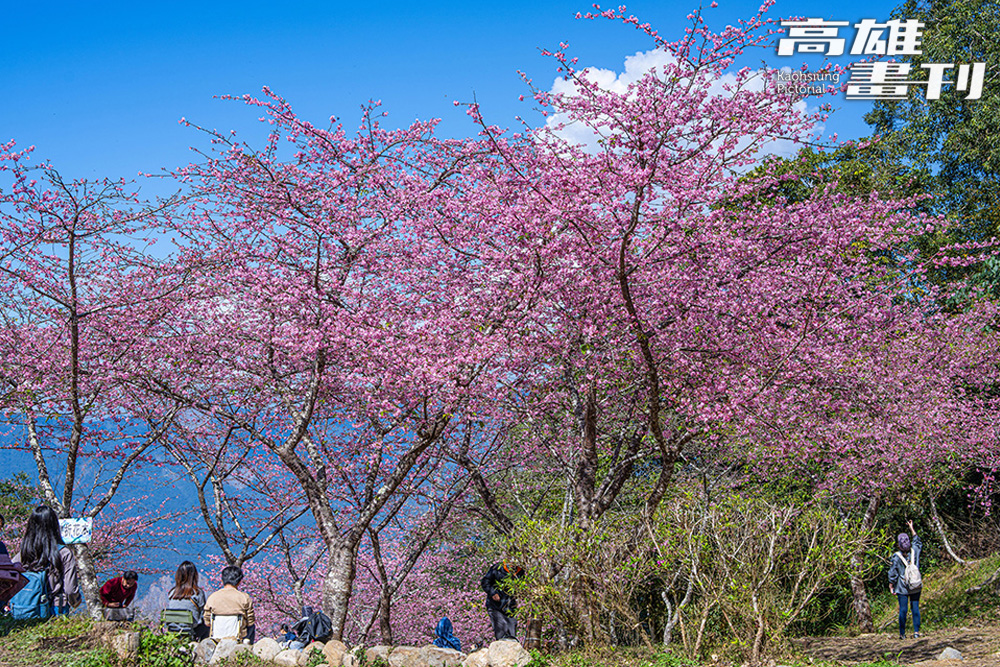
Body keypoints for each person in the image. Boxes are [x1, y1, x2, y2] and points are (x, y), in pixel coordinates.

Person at [11, 505, 81, 617]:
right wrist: (75, 601)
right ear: (54, 525)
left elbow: (10, 577)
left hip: (25, 608)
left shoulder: (23, 553)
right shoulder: (63, 552)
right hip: (55, 609)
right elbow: (70, 589)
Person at [888, 519, 922, 640]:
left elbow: (893, 573)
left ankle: (902, 634)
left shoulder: (896, 557)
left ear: (898, 544)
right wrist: (911, 528)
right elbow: (917, 541)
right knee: (915, 608)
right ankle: (916, 632)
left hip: (902, 587)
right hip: (915, 585)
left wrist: (891, 585)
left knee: (903, 610)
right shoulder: (915, 551)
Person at [204, 565, 256, 643]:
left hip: (216, 637)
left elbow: (207, 622)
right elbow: (250, 621)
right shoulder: (244, 598)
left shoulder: (213, 597)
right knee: (252, 627)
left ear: (222, 580)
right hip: (238, 636)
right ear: (239, 582)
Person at [480, 561, 524, 641]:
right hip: (495, 606)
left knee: (512, 634)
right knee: (501, 631)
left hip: (510, 607)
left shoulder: (520, 571)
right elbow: (485, 582)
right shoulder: (497, 568)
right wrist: (493, 593)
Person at [166, 561, 209, 640]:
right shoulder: (197, 592)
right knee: (207, 627)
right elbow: (203, 611)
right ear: (194, 575)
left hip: (173, 629)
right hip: (190, 629)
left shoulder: (172, 593)